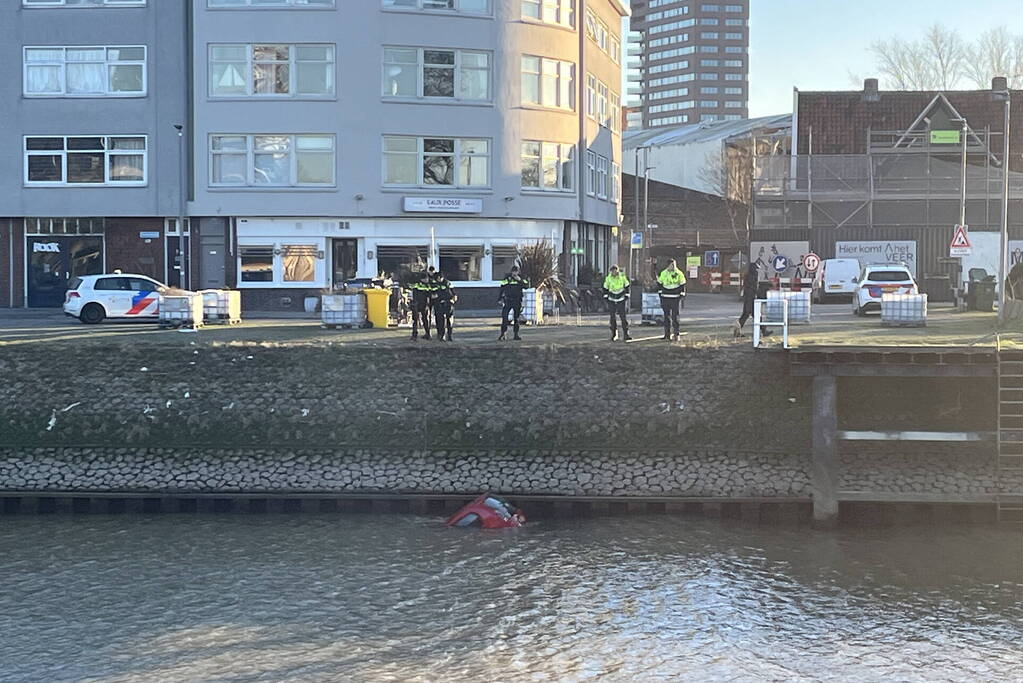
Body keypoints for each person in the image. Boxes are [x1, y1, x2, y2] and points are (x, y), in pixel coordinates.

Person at [734, 262, 770, 338]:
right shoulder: (753, 276)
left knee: (753, 314)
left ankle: (764, 330)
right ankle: (763, 331)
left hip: (750, 298)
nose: (757, 270)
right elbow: (754, 288)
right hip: (750, 298)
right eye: (756, 269)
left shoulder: (749, 275)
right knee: (748, 314)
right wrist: (759, 295)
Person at [656, 259, 686, 341]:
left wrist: (681, 295)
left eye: (674, 265)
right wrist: (660, 295)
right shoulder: (664, 273)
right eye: (672, 265)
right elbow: (659, 284)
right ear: (668, 265)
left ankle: (676, 334)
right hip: (665, 297)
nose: (674, 266)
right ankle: (667, 335)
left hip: (675, 298)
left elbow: (682, 284)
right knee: (666, 317)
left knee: (675, 317)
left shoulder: (679, 273)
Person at [498, 266, 528, 341]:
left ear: (518, 272)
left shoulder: (522, 277)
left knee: (516, 318)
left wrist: (520, 280)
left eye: (516, 272)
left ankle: (516, 334)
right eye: (513, 271)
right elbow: (502, 287)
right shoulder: (507, 278)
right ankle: (503, 334)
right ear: (511, 272)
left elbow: (526, 286)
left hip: (517, 301)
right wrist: (500, 298)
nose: (514, 273)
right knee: (504, 317)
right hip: (508, 300)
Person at [602, 265, 631, 341]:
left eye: (615, 271)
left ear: (618, 270)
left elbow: (627, 286)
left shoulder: (622, 277)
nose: (614, 272)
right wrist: (606, 298)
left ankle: (626, 334)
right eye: (612, 271)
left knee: (623, 317)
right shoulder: (608, 278)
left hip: (621, 299)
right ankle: (614, 334)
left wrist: (626, 296)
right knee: (612, 318)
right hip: (612, 299)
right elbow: (605, 288)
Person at [430, 269, 456, 342]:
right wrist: (433, 296)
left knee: (449, 321)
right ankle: (441, 335)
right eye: (438, 278)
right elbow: (432, 294)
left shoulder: (447, 283)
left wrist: (453, 300)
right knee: (440, 321)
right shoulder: (434, 284)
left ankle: (450, 335)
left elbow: (454, 293)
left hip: (448, 304)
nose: (439, 279)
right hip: (438, 304)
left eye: (440, 277)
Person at [409, 268, 433, 341]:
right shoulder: (427, 286)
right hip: (423, 304)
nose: (427, 280)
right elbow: (429, 296)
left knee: (416, 320)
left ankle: (415, 335)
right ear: (423, 279)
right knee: (424, 319)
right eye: (426, 278)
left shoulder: (416, 285)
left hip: (417, 304)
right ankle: (427, 334)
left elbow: (413, 294)